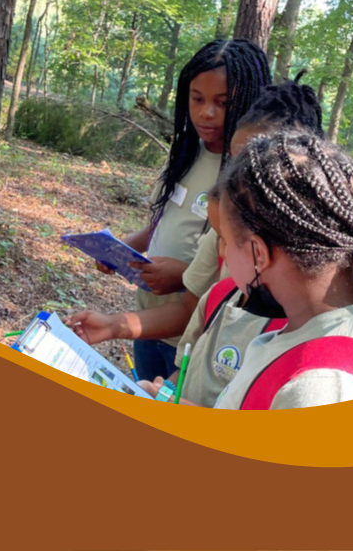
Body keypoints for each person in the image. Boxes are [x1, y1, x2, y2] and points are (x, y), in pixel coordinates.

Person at [76, 77, 327, 407]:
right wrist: (117, 331)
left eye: (251, 166)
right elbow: (191, 357)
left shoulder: (314, 340)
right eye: (234, 163)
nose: (236, 178)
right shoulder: (225, 288)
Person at [163, 131, 353, 409]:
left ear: (258, 253)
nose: (222, 253)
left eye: (226, 240)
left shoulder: (323, 388)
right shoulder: (323, 329)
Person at [79, 39, 271, 381]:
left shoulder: (244, 175)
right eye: (196, 99)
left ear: (247, 102)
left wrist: (183, 275)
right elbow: (163, 220)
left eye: (222, 103)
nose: (205, 113)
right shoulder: (184, 153)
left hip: (192, 333)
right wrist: (123, 248)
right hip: (146, 319)